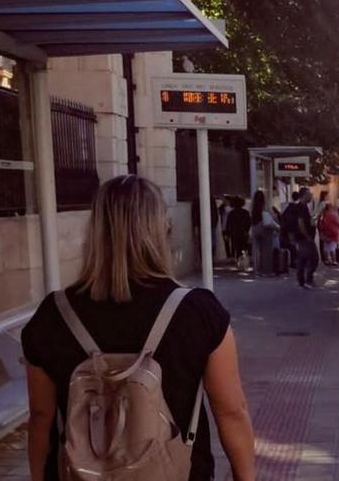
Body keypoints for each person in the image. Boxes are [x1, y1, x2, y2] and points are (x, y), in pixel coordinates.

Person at [21, 175, 255, 481]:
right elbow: (231, 412)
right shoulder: (198, 312)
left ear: (95, 233)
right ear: (161, 230)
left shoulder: (54, 315)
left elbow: (41, 417)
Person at [283, 187, 319, 288]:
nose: (311, 196)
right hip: (304, 237)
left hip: (301, 237)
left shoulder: (303, 207)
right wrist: (307, 236)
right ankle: (308, 279)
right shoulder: (302, 207)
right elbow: (300, 223)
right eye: (309, 194)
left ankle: (302, 280)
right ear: (304, 195)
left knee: (302, 258)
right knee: (313, 258)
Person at [250, 190, 280, 277]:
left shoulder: (253, 208)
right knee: (266, 251)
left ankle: (257, 270)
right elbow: (268, 222)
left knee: (257, 251)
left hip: (255, 229)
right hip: (265, 230)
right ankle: (266, 271)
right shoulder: (265, 207)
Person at [226, 196, 251, 264]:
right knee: (244, 248)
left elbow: (228, 224)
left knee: (237, 248)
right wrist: (246, 230)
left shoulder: (231, 213)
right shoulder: (246, 212)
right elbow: (249, 223)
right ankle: (244, 261)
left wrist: (227, 234)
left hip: (235, 233)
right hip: (244, 232)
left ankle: (239, 261)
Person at [312, 190, 329, 258]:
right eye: (327, 195)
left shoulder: (321, 203)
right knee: (323, 239)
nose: (328, 197)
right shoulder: (324, 204)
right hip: (323, 222)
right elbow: (320, 213)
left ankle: (324, 255)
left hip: (321, 222)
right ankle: (324, 256)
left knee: (322, 239)